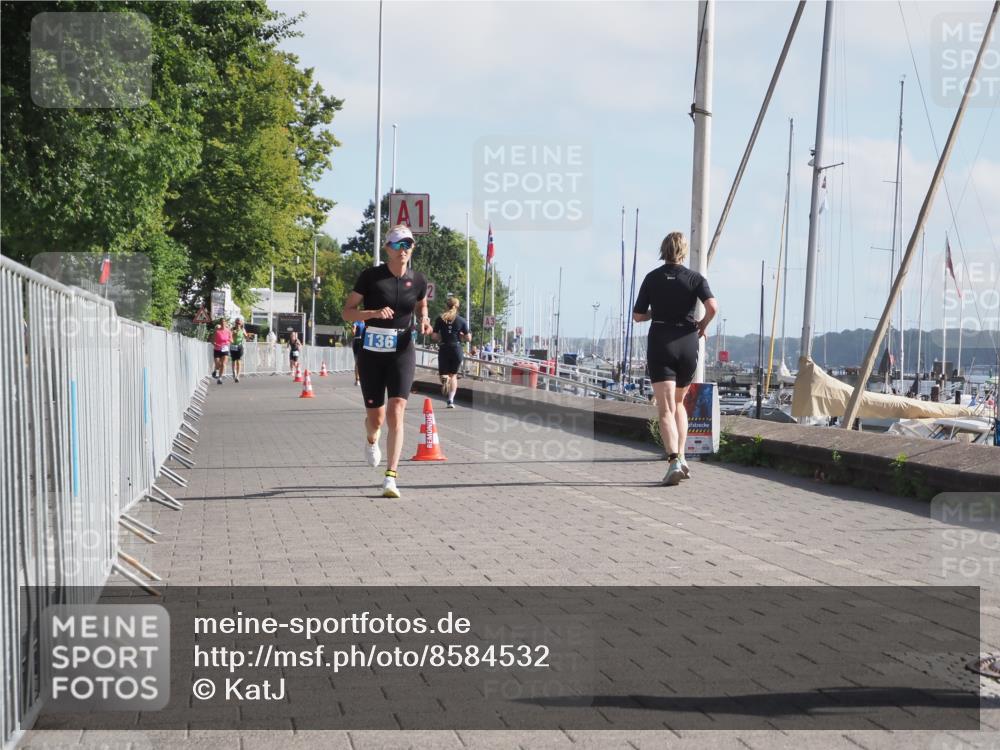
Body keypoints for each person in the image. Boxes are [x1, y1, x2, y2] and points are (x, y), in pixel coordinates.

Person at [342, 225, 431, 499]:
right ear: (387, 249)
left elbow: (421, 303)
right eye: (398, 245)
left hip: (402, 349)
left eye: (408, 245)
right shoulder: (371, 277)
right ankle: (371, 438)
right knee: (377, 419)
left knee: (398, 410)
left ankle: (390, 477)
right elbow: (347, 312)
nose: (404, 250)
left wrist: (424, 318)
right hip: (372, 351)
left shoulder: (418, 280)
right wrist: (372, 313)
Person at [633, 231, 718, 486]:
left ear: (663, 250)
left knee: (665, 408)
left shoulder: (652, 278)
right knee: (680, 403)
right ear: (683, 251)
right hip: (688, 341)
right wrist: (702, 326)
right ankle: (682, 456)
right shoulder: (694, 278)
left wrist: (653, 313)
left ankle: (673, 461)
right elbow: (713, 306)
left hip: (661, 340)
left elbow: (638, 315)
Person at [432, 296, 471, 408]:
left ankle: (445, 379)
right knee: (453, 375)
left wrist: (443, 335)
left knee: (443, 374)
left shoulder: (440, 319)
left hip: (444, 348)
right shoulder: (462, 320)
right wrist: (460, 337)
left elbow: (434, 336)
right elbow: (468, 338)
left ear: (446, 306)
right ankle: (450, 400)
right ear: (457, 307)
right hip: (456, 349)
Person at [212, 319, 232, 385]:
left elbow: (231, 340)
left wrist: (228, 342)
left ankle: (219, 378)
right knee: (218, 364)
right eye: (221, 322)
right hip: (217, 349)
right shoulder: (217, 331)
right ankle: (215, 370)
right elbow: (212, 340)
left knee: (223, 364)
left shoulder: (228, 331)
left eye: (224, 322)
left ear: (226, 323)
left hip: (225, 349)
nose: (223, 323)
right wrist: (214, 343)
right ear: (220, 323)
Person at [230, 318, 246, 383]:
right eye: (236, 323)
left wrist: (248, 336)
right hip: (233, 346)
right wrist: (233, 334)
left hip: (239, 346)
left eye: (239, 323)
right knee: (234, 360)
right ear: (235, 323)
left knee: (239, 361)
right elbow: (229, 337)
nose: (237, 324)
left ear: (241, 324)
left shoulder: (242, 329)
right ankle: (234, 373)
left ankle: (238, 376)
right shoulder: (232, 329)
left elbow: (246, 336)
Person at [352, 320, 366, 386]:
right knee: (357, 362)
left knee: (365, 361)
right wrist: (354, 330)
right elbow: (354, 328)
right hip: (357, 341)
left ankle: (365, 378)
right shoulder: (357, 322)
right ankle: (357, 379)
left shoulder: (367, 322)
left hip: (365, 342)